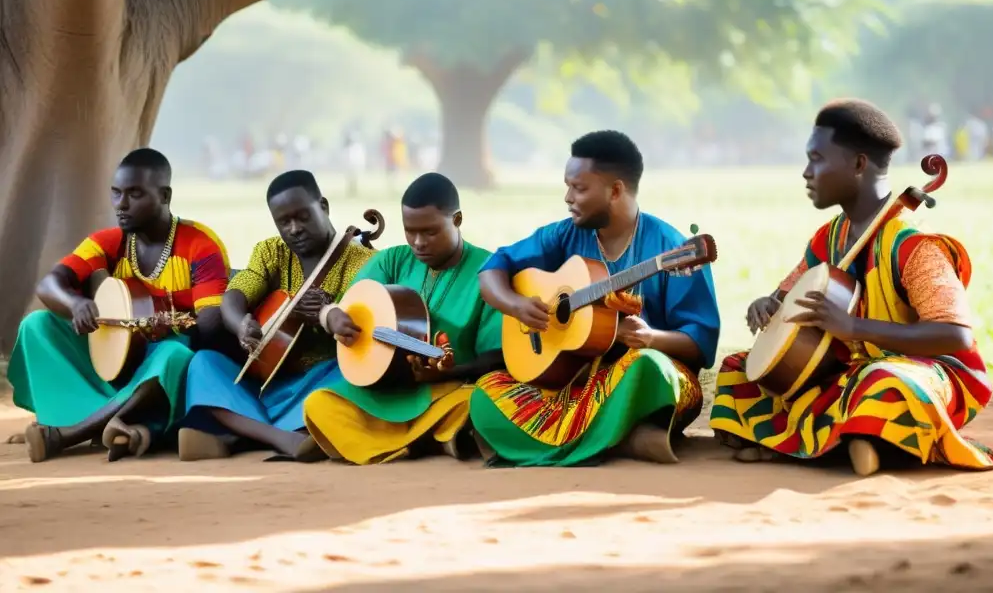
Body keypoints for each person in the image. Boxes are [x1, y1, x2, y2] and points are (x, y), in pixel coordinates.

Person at [709, 99, 993, 476]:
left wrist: (853, 329)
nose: (806, 172)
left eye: (817, 159)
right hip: (848, 370)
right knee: (741, 369)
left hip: (924, 372)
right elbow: (787, 295)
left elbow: (956, 337)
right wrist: (767, 304)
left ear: (859, 164)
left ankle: (819, 441)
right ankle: (856, 442)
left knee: (883, 383)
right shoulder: (827, 239)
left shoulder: (913, 248)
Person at [470, 130, 721, 466]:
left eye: (579, 188)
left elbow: (701, 343)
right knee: (486, 391)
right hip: (573, 381)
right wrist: (515, 305)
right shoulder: (565, 234)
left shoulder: (672, 249)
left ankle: (560, 439)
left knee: (648, 368)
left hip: (640, 380)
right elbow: (493, 269)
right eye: (568, 186)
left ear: (615, 190)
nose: (568, 197)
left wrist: (649, 338)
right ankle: (624, 439)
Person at [7, 148, 231, 463]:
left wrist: (171, 327)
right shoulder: (110, 241)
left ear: (164, 196)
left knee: (175, 355)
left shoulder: (199, 244)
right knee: (36, 326)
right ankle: (114, 420)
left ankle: (68, 434)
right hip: (114, 361)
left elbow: (211, 324)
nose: (121, 205)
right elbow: (49, 285)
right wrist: (76, 303)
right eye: (116, 193)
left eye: (135, 194)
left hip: (161, 366)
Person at [302, 173, 503, 464]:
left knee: (480, 402)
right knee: (319, 404)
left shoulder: (489, 272)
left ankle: (393, 440)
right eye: (410, 231)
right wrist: (331, 316)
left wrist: (448, 372)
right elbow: (348, 306)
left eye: (430, 232)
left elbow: (497, 355)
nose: (419, 242)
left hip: (450, 390)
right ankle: (431, 439)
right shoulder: (392, 260)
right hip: (387, 390)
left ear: (457, 220)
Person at [177, 170, 374, 461]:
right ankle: (284, 438)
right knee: (204, 363)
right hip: (265, 381)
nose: (294, 228)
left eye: (303, 216)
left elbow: (361, 332)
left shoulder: (364, 263)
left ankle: (237, 433)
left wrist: (326, 315)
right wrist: (240, 324)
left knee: (350, 377)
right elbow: (234, 296)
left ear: (324, 206)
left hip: (319, 380)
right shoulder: (271, 252)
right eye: (284, 222)